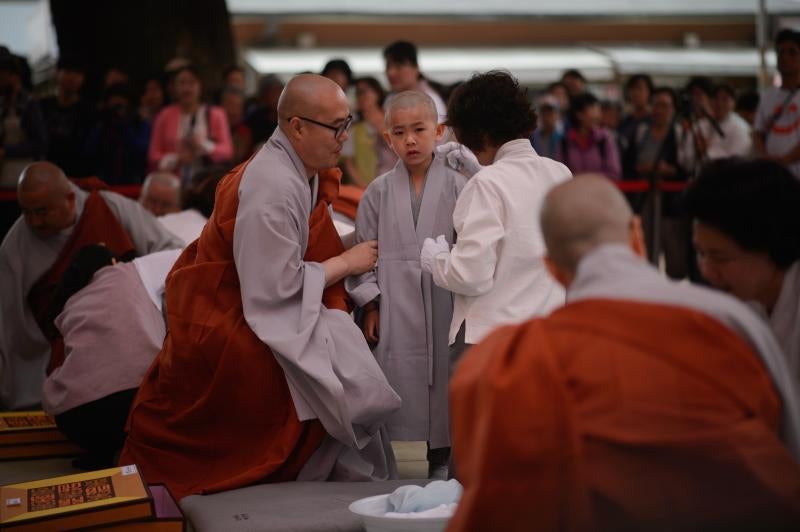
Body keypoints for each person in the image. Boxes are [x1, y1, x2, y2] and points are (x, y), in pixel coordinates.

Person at [447, 175, 800, 532]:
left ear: (552, 268)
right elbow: (786, 444)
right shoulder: (729, 322)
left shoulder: (510, 358)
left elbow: (499, 498)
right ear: (637, 234)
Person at [121, 74, 401, 500]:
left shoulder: (296, 168)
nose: (345, 137)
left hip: (250, 296)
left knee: (344, 342)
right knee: (339, 353)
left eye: (348, 123)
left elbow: (299, 247)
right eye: (337, 127)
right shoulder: (272, 185)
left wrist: (351, 244)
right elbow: (274, 290)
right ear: (297, 127)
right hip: (228, 316)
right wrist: (346, 262)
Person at [346, 91, 466, 479]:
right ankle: (385, 460)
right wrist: (372, 304)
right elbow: (364, 253)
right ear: (388, 139)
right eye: (400, 132)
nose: (410, 140)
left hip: (445, 295)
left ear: (440, 131)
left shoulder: (458, 184)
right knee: (394, 375)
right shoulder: (377, 191)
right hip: (394, 299)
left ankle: (442, 456)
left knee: (445, 375)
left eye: (419, 130)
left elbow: (469, 245)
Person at [0, 162, 182, 410]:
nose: (34, 221)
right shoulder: (15, 247)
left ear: (70, 198)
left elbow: (173, 254)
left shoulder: (108, 207)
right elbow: (12, 326)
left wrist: (132, 280)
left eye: (42, 212)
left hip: (129, 333)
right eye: (26, 212)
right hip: (63, 351)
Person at [421, 71, 571, 357]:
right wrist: (483, 173)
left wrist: (438, 261)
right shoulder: (560, 173)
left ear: (479, 134)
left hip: (490, 340)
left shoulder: (485, 184)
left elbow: (471, 275)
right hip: (548, 333)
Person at [43, 245, 181, 470]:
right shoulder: (136, 269)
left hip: (76, 416)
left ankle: (101, 453)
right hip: (138, 402)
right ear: (114, 263)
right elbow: (191, 253)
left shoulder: (71, 304)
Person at [686, 157, 800, 383]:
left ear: (772, 248)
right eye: (701, 253)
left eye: (720, 257)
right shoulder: (747, 299)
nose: (706, 271)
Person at [148, 64, 233, 183]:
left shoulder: (216, 114)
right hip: (173, 182)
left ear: (200, 85)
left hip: (206, 182)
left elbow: (227, 152)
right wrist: (177, 160)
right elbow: (153, 156)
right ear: (174, 87)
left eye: (192, 83)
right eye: (182, 83)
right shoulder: (164, 115)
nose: (186, 88)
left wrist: (202, 144)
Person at [754, 28, 800, 178]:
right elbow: (758, 133)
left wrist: (785, 161)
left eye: (792, 52)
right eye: (780, 52)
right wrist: (765, 157)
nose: (785, 57)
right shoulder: (768, 97)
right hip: (771, 177)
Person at [84, 83, 150, 185]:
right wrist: (104, 122)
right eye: (114, 106)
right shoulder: (103, 124)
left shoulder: (139, 124)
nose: (117, 110)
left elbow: (142, 152)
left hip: (132, 183)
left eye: (120, 106)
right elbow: (88, 150)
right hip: (103, 182)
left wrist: (124, 127)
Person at [40, 58, 96, 177]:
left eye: (77, 73)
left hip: (78, 177)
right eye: (68, 71)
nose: (72, 77)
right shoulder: (42, 106)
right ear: (58, 72)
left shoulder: (90, 111)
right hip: (45, 174)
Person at [0, 52, 47, 189]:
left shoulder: (29, 104)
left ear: (14, 76)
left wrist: (6, 151)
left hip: (22, 179)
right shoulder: (3, 104)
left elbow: (40, 143)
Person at [341, 76, 397, 187]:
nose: (361, 96)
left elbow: (401, 149)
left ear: (377, 92)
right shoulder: (353, 128)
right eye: (357, 93)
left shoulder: (394, 121)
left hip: (395, 184)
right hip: (364, 188)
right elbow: (349, 163)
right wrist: (364, 188)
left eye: (364, 91)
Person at [560, 92, 621, 179]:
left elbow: (614, 172)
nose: (597, 114)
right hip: (574, 192)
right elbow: (560, 173)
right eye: (592, 108)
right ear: (579, 114)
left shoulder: (605, 139)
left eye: (597, 109)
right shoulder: (565, 142)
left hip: (599, 191)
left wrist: (584, 181)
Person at [383, 41, 447, 123]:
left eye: (398, 66)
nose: (391, 72)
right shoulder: (389, 99)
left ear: (416, 68)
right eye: (388, 67)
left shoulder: (429, 99)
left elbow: (437, 134)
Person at [529, 94, 563, 161]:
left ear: (558, 114)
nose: (546, 116)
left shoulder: (564, 138)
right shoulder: (532, 138)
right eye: (543, 112)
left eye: (550, 112)